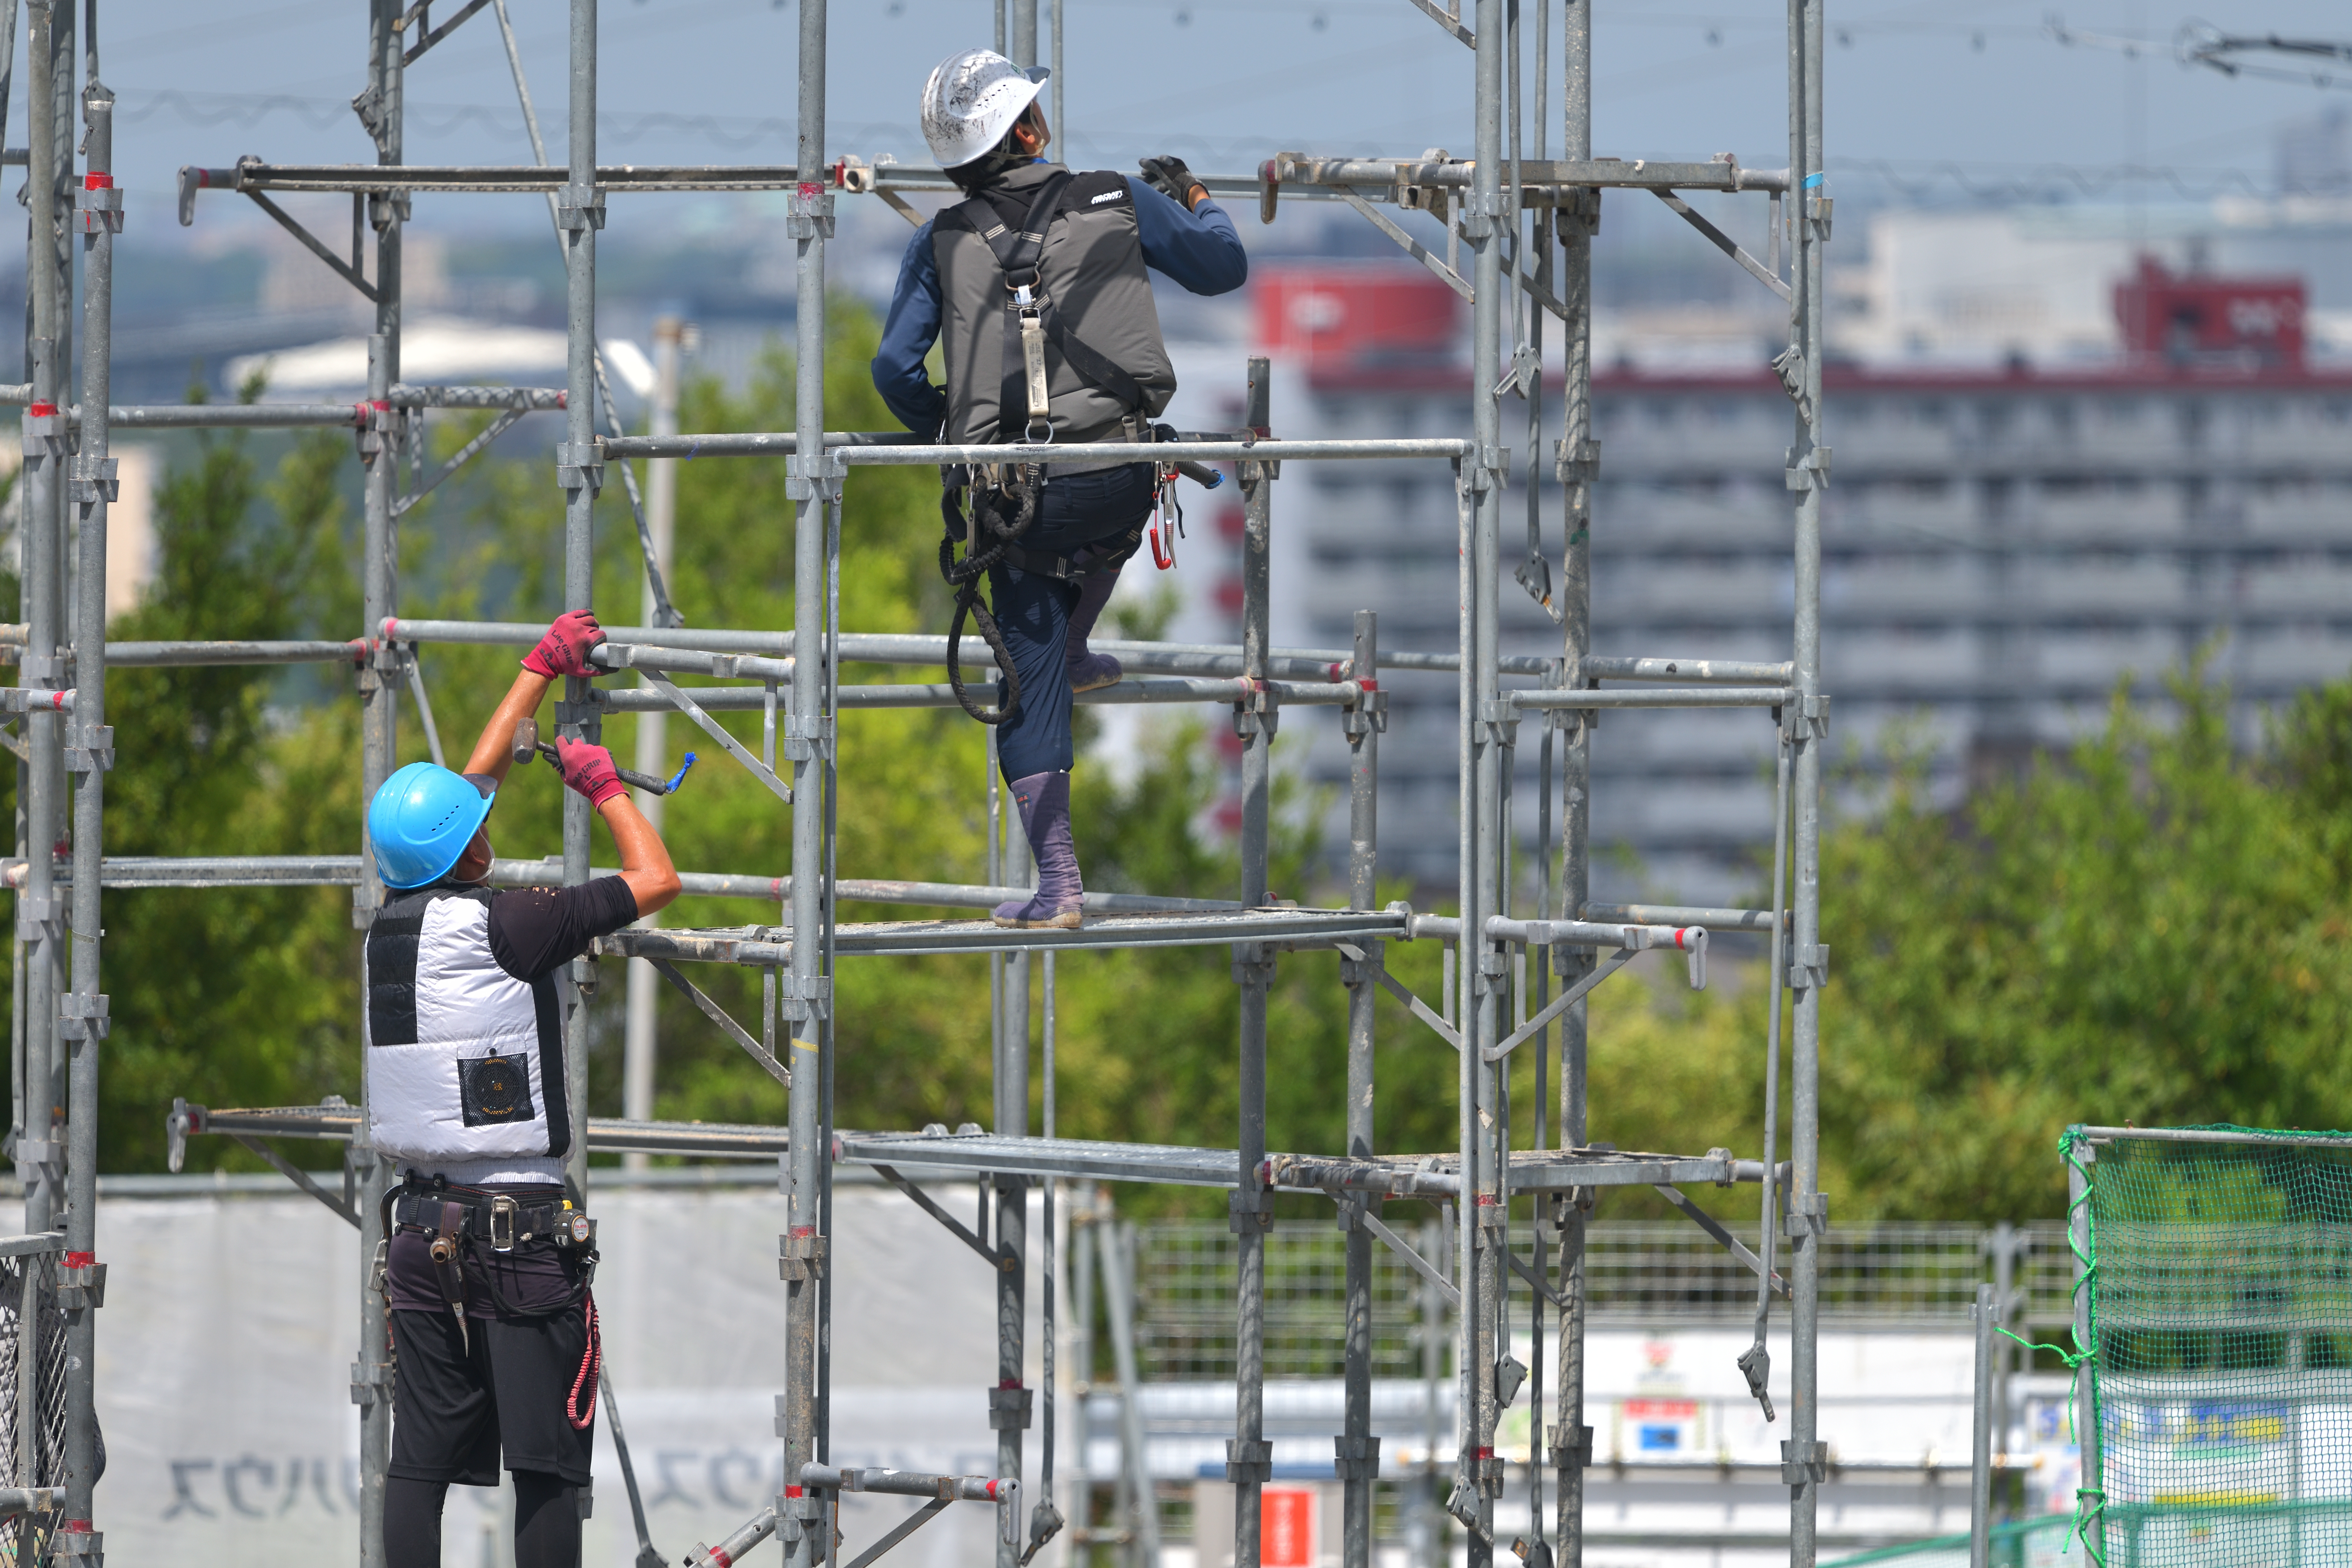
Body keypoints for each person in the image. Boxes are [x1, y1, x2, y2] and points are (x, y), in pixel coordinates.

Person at [872, 48, 1247, 929]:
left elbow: (894, 368)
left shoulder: (940, 240)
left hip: (1017, 502)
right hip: (1121, 480)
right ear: (1031, 131)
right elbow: (1223, 265)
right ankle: (1080, 642)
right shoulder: (1119, 197)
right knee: (1118, 509)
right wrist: (1196, 197)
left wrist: (951, 431)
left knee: (1028, 674)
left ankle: (1058, 884)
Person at [362, 608, 681, 1568]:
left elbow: (470, 786)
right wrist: (604, 787)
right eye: (475, 828)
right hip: (520, 1239)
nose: (485, 822)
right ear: (464, 853)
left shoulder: (393, 922)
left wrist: (538, 670)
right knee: (545, 1467)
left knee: (419, 1463)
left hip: (421, 1233)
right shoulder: (512, 926)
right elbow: (656, 878)